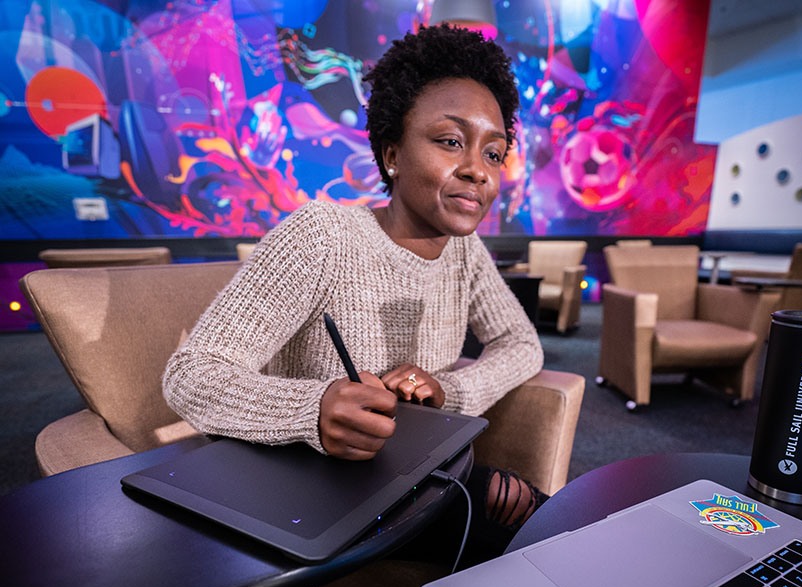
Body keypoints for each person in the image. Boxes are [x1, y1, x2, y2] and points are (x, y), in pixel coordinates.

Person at [163, 24, 546, 559]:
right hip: (309, 488)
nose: (476, 172)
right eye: (451, 141)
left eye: (494, 153)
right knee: (527, 528)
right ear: (392, 152)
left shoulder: (465, 251)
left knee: (543, 521)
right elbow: (190, 376)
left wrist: (450, 391)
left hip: (407, 476)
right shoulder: (322, 236)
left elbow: (522, 345)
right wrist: (312, 410)